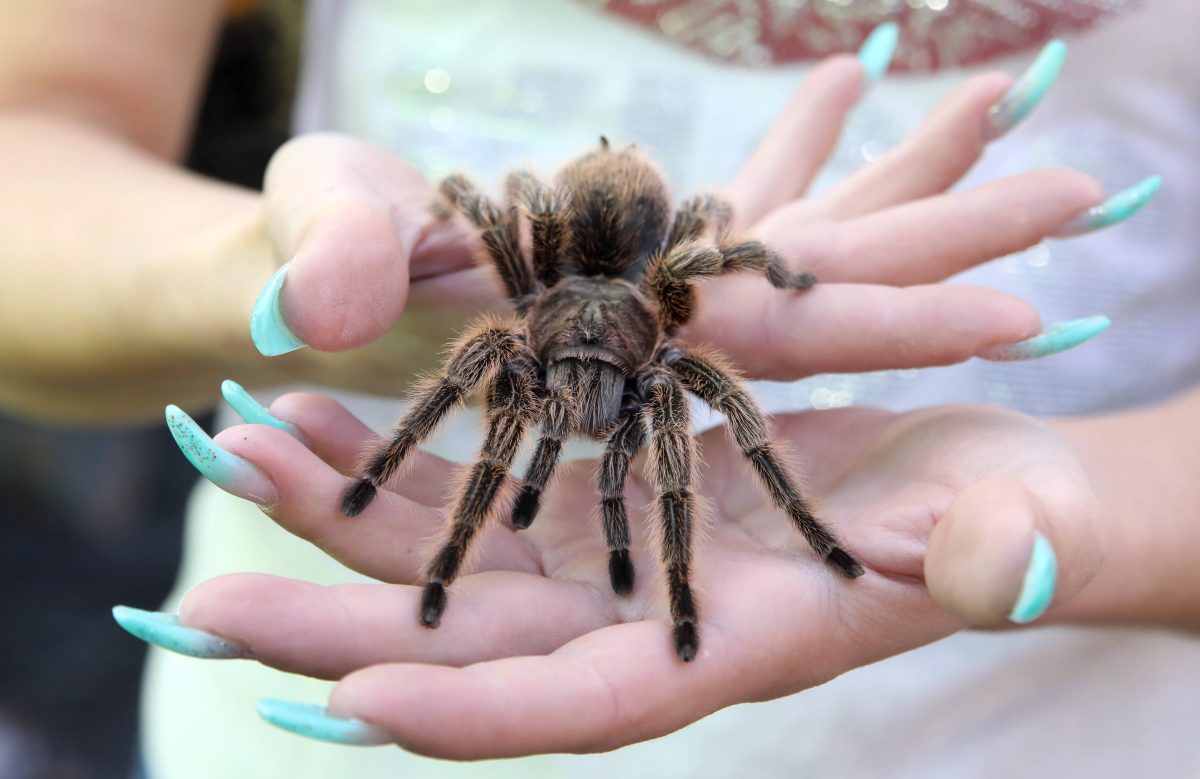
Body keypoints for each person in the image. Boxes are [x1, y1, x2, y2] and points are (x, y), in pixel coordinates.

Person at [1, 1, 1195, 777]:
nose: (567, 399)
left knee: (695, 416)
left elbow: (719, 281)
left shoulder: (672, 307)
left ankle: (663, 578)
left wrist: (1122, 513)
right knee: (488, 372)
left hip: (1045, 734)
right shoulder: (516, 312)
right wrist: (305, 292)